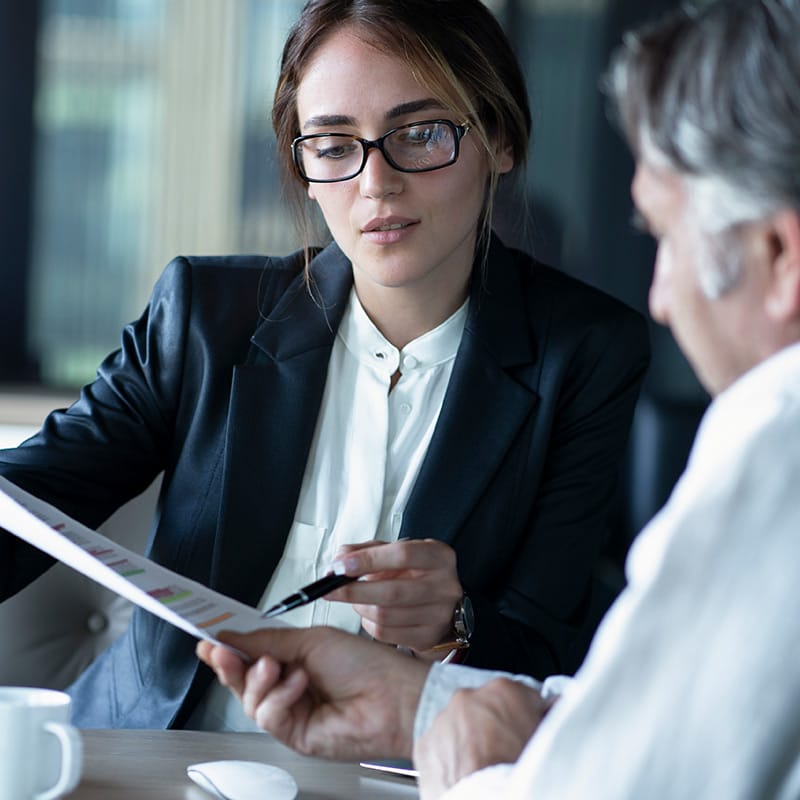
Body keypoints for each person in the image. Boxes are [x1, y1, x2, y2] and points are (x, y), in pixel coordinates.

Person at [197, 0, 800, 797]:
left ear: (778, 255)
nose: (660, 295)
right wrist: (418, 705)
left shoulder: (772, 451)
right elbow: (650, 722)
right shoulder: (204, 315)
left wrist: (465, 755)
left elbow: (620, 777)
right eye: (335, 144)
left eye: (665, 237)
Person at [0, 0, 648, 729]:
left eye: (421, 133)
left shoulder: (587, 354)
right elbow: (31, 497)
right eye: (335, 146)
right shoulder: (204, 316)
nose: (376, 184)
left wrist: (455, 622)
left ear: (498, 139)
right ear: (304, 167)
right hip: (154, 761)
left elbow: (553, 647)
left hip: (399, 776)